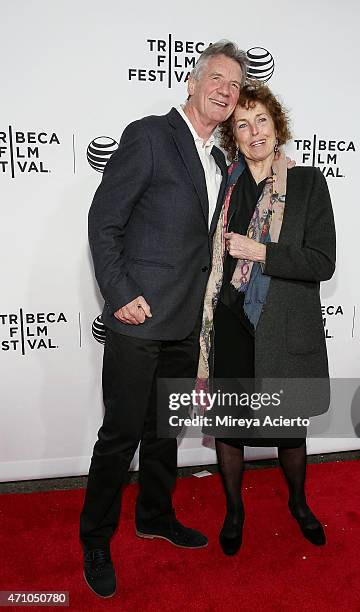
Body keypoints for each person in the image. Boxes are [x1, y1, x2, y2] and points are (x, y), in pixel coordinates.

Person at [80, 40, 248, 597]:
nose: (226, 91)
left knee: (163, 434)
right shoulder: (150, 135)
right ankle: (95, 538)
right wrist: (120, 290)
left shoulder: (221, 160)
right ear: (194, 81)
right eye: (218, 79)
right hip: (138, 318)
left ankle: (154, 516)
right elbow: (104, 220)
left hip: (183, 322)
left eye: (235, 85)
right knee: (120, 435)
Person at [198, 80, 336, 555]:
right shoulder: (226, 185)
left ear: (277, 126)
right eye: (242, 123)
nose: (254, 130)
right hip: (233, 328)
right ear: (232, 135)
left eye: (262, 120)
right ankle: (234, 510)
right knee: (230, 430)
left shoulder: (307, 183)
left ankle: (299, 503)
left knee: (288, 432)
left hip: (283, 329)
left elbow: (322, 261)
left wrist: (262, 251)